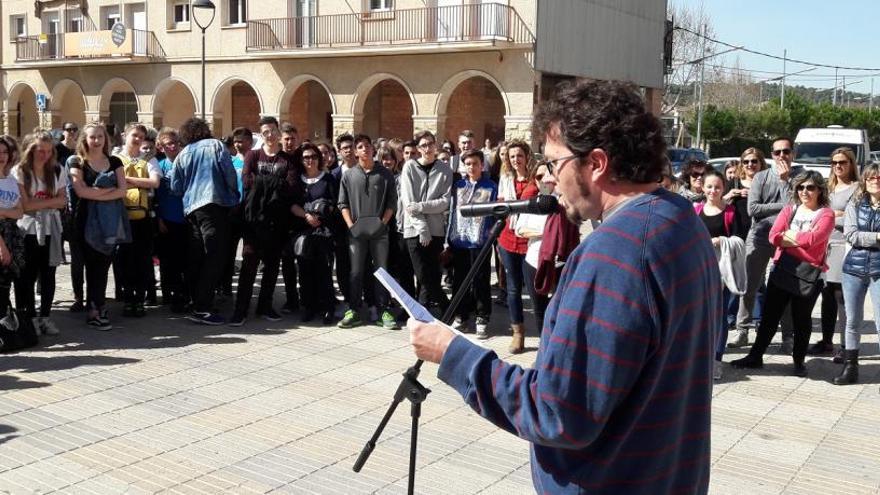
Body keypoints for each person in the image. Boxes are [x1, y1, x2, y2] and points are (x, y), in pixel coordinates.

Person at [409, 80, 715, 494]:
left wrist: (455, 355)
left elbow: (557, 412)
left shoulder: (613, 255)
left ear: (597, 163)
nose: (549, 179)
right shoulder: (681, 220)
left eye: (554, 163)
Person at [731, 171, 834, 377]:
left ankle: (798, 362)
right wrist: (798, 239)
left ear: (820, 190)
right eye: (801, 187)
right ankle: (755, 356)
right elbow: (774, 237)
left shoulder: (826, 214)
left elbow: (815, 240)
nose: (805, 191)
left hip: (808, 274)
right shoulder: (789, 210)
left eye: (810, 187)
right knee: (769, 316)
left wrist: (791, 238)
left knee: (801, 319)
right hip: (783, 269)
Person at [730, 138, 803, 350]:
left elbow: (798, 208)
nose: (782, 156)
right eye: (777, 152)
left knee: (786, 287)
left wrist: (785, 181)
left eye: (786, 151)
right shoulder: (761, 177)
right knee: (749, 286)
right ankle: (742, 330)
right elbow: (753, 209)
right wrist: (783, 205)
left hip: (787, 237)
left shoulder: (802, 177)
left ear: (793, 153)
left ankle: (788, 336)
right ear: (772, 154)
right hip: (760, 235)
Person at [229, 116, 301, 325]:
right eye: (265, 132)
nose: (269, 135)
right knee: (249, 264)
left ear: (278, 132)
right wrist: (274, 184)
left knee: (271, 266)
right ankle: (240, 309)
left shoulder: (286, 160)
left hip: (277, 222)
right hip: (252, 220)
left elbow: (291, 187)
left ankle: (265, 306)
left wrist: (262, 183)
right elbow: (246, 181)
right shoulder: (253, 155)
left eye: (272, 131)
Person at [170, 118, 240, 326]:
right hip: (214, 206)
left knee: (198, 257)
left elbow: (175, 187)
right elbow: (229, 174)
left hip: (191, 210)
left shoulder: (182, 154)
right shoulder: (216, 145)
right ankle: (203, 308)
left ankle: (197, 301)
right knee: (215, 257)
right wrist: (234, 196)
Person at [67, 123, 129, 330]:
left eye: (100, 137)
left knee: (102, 266)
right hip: (83, 221)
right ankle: (91, 305)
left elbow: (122, 191)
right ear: (85, 139)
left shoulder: (114, 161)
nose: (96, 141)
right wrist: (106, 191)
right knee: (87, 264)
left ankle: (97, 306)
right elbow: (81, 191)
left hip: (110, 222)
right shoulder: (76, 161)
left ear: (105, 139)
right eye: (92, 137)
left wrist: (95, 192)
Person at [336, 134, 397, 329]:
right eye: (360, 146)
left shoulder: (385, 174)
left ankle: (383, 310)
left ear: (373, 149)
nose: (365, 149)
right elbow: (342, 203)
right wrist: (350, 225)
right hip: (356, 233)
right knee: (355, 272)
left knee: (382, 271)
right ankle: (353, 310)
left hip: (380, 232)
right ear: (355, 151)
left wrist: (383, 223)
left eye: (368, 146)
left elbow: (391, 203)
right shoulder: (348, 175)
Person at [12, 131, 68, 336]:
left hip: (51, 226)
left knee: (49, 272)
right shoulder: (20, 171)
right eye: (39, 150)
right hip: (27, 228)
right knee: (27, 274)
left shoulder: (56, 170)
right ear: (30, 150)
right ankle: (29, 317)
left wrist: (39, 203)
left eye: (48, 150)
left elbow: (63, 200)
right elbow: (24, 205)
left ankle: (45, 316)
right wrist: (48, 203)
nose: (44, 155)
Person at [695, 169, 747, 380]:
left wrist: (721, 241)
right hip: (699, 271)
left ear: (723, 188)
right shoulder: (696, 209)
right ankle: (700, 358)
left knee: (720, 317)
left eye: (717, 187)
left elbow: (740, 239)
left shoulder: (732, 211)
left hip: (722, 273)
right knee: (700, 317)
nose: (713, 190)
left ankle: (717, 360)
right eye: (709, 186)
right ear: (703, 188)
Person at [808, 147, 858, 360]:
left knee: (841, 299)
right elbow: (814, 212)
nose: (838, 166)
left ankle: (846, 346)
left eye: (843, 162)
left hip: (842, 247)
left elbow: (853, 218)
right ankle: (827, 341)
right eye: (835, 162)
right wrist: (833, 214)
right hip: (821, 247)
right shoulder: (827, 188)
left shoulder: (857, 188)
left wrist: (830, 217)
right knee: (826, 296)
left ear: (851, 164)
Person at [835, 162, 880, 385]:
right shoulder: (855, 202)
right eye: (871, 177)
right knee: (852, 320)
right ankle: (850, 368)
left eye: (879, 177)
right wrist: (878, 238)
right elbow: (851, 235)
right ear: (865, 180)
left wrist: (865, 237)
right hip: (853, 268)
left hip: (879, 270)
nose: (875, 181)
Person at [496, 139, 543, 353]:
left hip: (530, 241)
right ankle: (518, 333)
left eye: (519, 156)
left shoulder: (536, 179)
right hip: (508, 239)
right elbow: (499, 207)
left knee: (534, 291)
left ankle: (544, 335)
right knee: (513, 289)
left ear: (527, 157)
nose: (516, 160)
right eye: (512, 156)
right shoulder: (505, 179)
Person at [400, 130, 453, 316]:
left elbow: (444, 202)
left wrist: (421, 206)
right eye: (423, 145)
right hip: (414, 230)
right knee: (422, 274)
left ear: (435, 145)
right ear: (418, 148)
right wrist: (422, 229)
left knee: (432, 275)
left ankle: (423, 311)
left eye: (430, 143)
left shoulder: (445, 169)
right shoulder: (409, 167)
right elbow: (408, 203)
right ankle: (449, 308)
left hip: (436, 230)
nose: (427, 148)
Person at [447, 150, 497, 338]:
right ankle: (461, 316)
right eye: (468, 164)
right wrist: (448, 240)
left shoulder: (491, 186)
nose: (472, 167)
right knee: (460, 279)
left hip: (481, 242)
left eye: (475, 163)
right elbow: (453, 212)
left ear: (481, 165)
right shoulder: (458, 186)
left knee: (481, 280)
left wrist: (491, 236)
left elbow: (494, 214)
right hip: (460, 241)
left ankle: (482, 317)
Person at [114, 123, 161, 317]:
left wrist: (128, 180)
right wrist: (138, 182)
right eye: (134, 135)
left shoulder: (149, 159)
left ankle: (139, 299)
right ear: (125, 135)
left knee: (142, 260)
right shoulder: (115, 158)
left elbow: (155, 182)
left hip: (143, 218)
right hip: (120, 217)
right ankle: (127, 298)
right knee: (123, 260)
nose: (137, 139)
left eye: (141, 137)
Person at [293, 143, 336, 324]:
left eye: (313, 156)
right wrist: (307, 216)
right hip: (304, 232)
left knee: (324, 271)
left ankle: (328, 308)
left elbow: (336, 203)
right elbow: (292, 204)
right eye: (306, 157)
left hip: (324, 232)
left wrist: (324, 211)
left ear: (319, 158)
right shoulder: (297, 180)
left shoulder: (328, 179)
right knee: (304, 272)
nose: (310, 160)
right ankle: (309, 307)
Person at [155, 128, 188, 313]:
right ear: (161, 147)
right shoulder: (160, 166)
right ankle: (168, 293)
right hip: (167, 219)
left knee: (183, 259)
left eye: (176, 142)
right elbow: (157, 197)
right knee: (167, 260)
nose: (173, 146)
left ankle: (182, 293)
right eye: (169, 143)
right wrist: (159, 219)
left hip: (185, 218)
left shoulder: (186, 163)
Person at [0, 136, 24, 328]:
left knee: (6, 283)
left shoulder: (10, 179)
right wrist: (1, 247)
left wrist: (3, 212)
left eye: (5, 152)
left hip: (11, 233)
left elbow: (19, 211)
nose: (1, 156)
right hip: (1, 237)